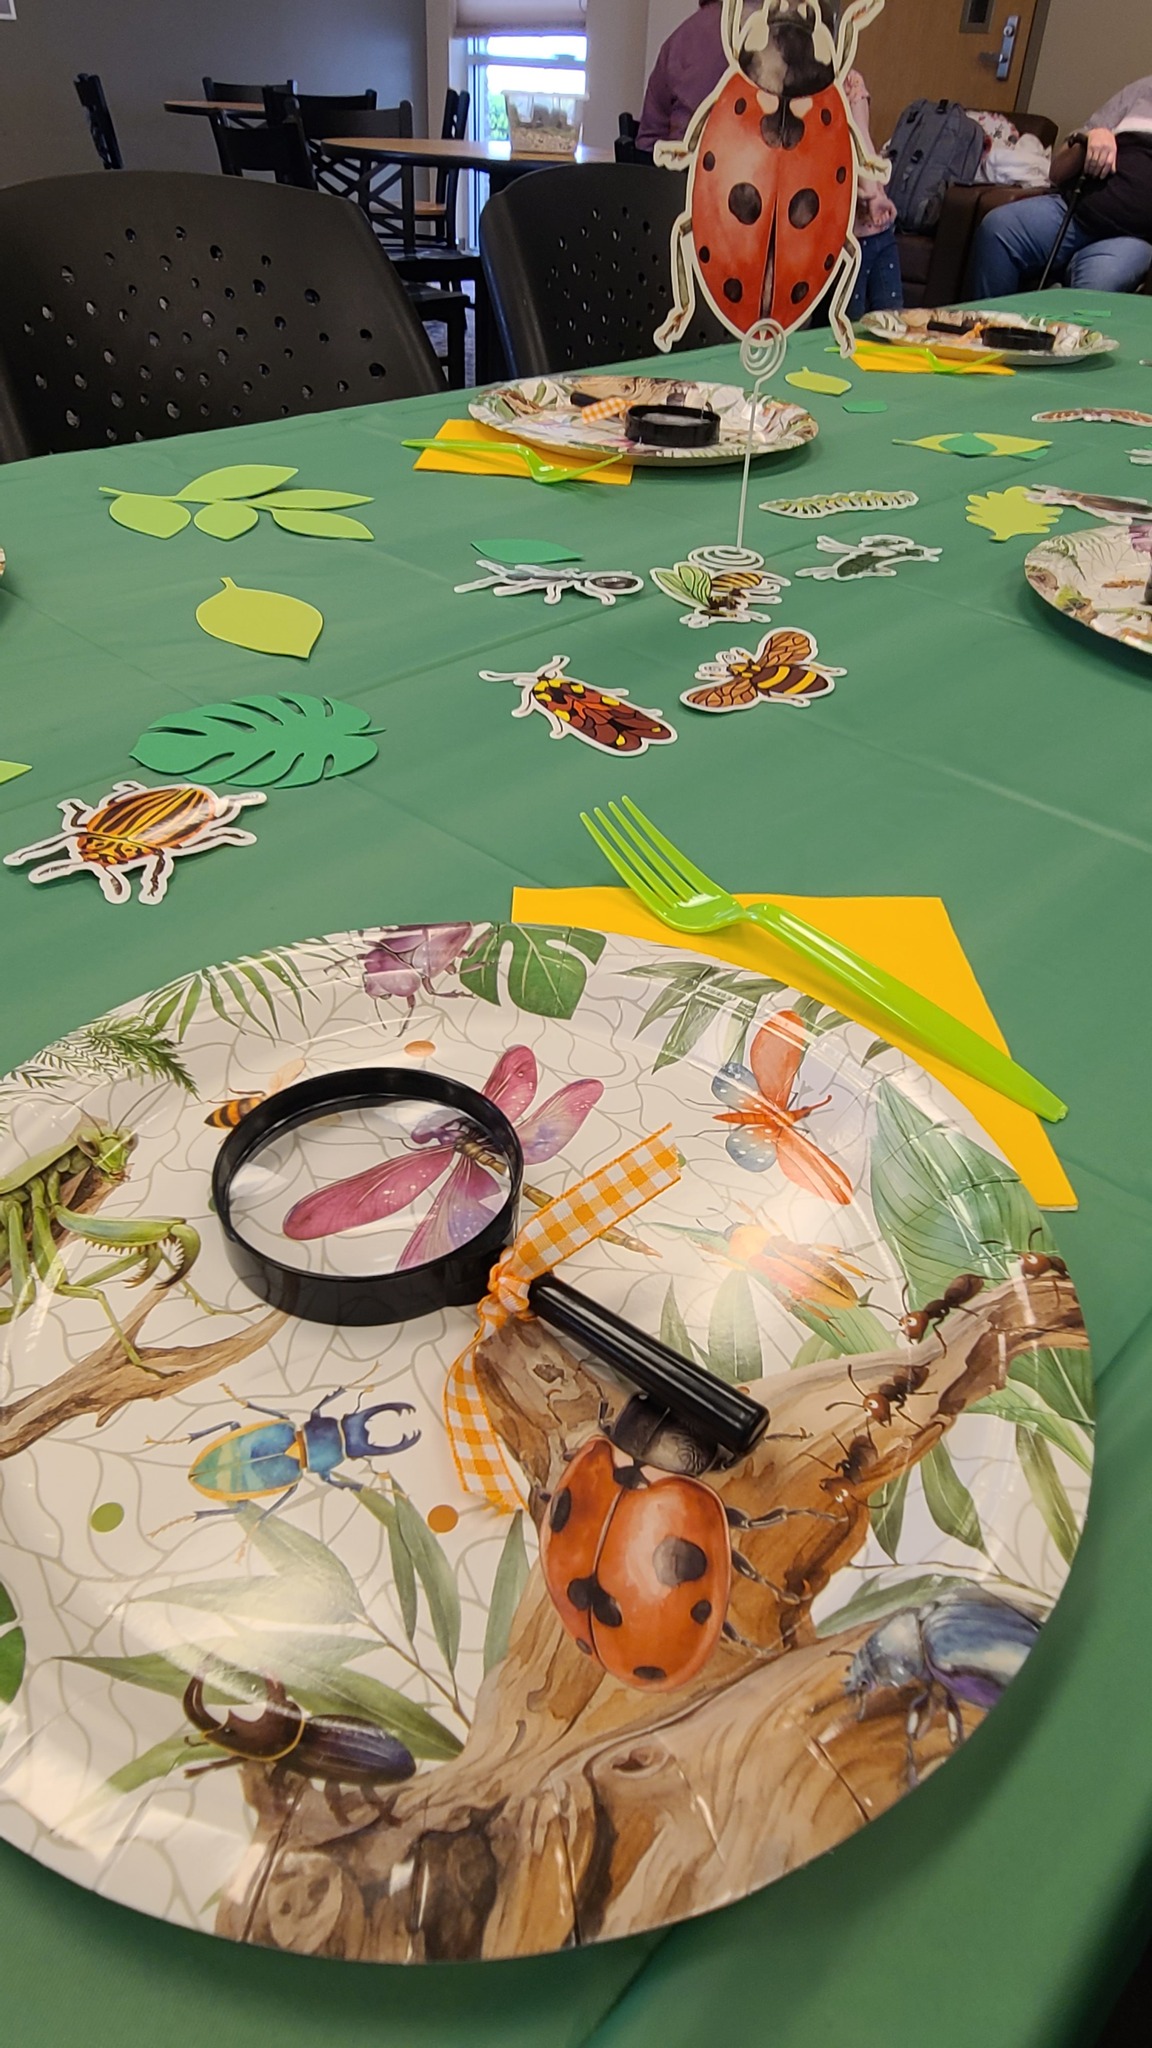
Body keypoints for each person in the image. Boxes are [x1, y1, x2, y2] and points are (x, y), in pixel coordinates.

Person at [970, 76, 1152, 297]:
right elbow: (1056, 171)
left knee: (1100, 281)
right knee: (998, 228)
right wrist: (1088, 139)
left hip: (1131, 238)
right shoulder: (1141, 91)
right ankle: (986, 325)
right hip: (1071, 211)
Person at [844, 69, 902, 316]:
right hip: (840, 236)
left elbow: (861, 138)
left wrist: (874, 193)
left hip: (872, 225)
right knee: (846, 325)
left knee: (890, 318)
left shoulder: (849, 79)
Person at [636, 0, 729, 153]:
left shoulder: (678, 41)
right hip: (752, 171)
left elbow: (647, 143)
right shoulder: (772, 39)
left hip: (669, 171)